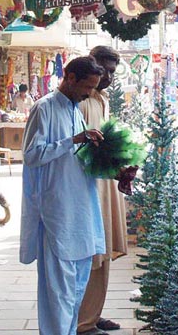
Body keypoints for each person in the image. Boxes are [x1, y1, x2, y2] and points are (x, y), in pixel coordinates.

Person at [21, 56, 106, 335]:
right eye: (87, 87)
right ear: (70, 78)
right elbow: (32, 155)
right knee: (58, 294)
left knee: (76, 290)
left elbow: (76, 158)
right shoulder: (44, 108)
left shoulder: (75, 110)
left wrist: (112, 165)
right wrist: (75, 140)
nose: (89, 93)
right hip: (56, 211)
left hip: (80, 211)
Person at [77, 46, 128, 335]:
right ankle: (83, 321)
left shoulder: (102, 99)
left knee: (104, 249)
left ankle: (93, 314)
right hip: (90, 185)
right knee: (92, 253)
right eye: (103, 70)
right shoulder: (82, 99)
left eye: (112, 72)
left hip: (106, 181)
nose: (107, 77)